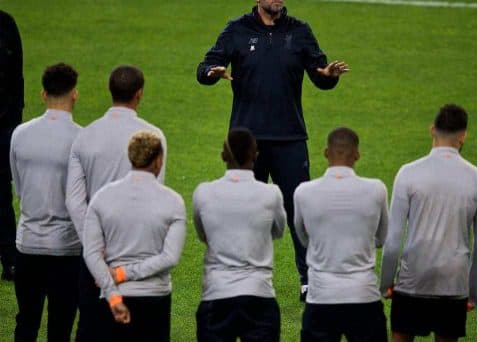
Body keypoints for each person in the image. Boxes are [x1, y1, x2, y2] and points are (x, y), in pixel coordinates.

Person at [196, 0, 349, 297]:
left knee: (299, 212)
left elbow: (319, 73)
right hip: (247, 142)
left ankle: (309, 280)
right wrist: (213, 72)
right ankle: (241, 279)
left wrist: (329, 75)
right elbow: (204, 67)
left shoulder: (300, 31)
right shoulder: (236, 30)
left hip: (290, 138)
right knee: (245, 211)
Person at [66, 65, 167, 341]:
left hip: (94, 260)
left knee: (92, 330)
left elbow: (74, 201)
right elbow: (154, 198)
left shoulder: (84, 136)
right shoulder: (154, 136)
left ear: (110, 92)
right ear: (139, 94)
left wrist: (95, 248)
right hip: (139, 258)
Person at [380, 104, 477, 342]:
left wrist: (386, 283)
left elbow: (392, 241)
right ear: (463, 136)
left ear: (432, 130)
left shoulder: (408, 173)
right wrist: (473, 293)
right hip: (453, 282)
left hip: (413, 279)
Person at [83, 130, 185, 341]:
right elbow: (170, 257)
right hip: (154, 298)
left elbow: (91, 253)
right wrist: (124, 273)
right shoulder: (173, 201)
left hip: (113, 298)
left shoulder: (103, 197)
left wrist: (113, 296)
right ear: (158, 161)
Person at [293, 127, 388, 341]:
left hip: (321, 297)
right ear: (357, 155)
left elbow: (303, 238)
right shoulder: (377, 190)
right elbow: (381, 239)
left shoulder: (303, 192)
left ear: (326, 153)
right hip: (364, 296)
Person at [193, 128, 286, 341]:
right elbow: (278, 231)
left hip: (216, 296)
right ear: (256, 155)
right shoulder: (271, 194)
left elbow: (203, 234)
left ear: (223, 155)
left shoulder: (203, 192)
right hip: (259, 295)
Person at [10, 63, 80, 341]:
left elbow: (18, 185)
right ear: (74, 94)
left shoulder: (20, 134)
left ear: (43, 94)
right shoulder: (81, 139)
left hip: (28, 244)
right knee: (60, 328)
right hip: (67, 249)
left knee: (26, 322)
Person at [0, 0, 24, 281]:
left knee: (0, 194)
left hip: (3, 127)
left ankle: (9, 258)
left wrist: (13, 128)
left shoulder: (6, 25)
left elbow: (16, 82)